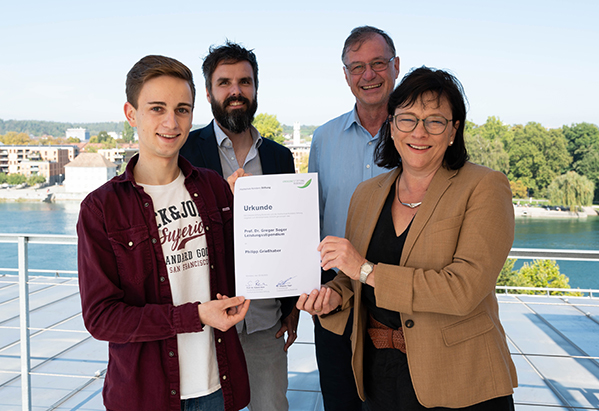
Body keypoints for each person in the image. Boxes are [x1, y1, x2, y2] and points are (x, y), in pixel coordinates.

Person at [298, 66, 518, 410]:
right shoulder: (367, 194)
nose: (420, 131)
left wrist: (366, 270)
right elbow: (351, 278)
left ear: (453, 131)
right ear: (392, 126)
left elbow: (463, 290)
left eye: (435, 120)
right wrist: (333, 297)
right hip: (379, 378)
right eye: (408, 118)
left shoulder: (484, 187)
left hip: (461, 381)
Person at [77, 55, 250, 411]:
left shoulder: (216, 189)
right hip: (146, 396)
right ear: (131, 114)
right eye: (157, 108)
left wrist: (257, 216)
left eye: (182, 109)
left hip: (218, 387)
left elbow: (243, 271)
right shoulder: (101, 209)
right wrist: (196, 315)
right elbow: (101, 318)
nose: (172, 122)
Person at [180, 41, 298, 411]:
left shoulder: (280, 157)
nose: (235, 91)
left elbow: (289, 237)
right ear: (210, 92)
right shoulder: (184, 150)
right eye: (225, 82)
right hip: (205, 324)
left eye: (244, 82)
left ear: (255, 88)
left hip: (264, 322)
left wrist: (292, 306)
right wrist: (226, 203)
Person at [308, 25, 399, 410]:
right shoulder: (324, 138)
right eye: (357, 66)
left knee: (394, 397)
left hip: (395, 284)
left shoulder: (415, 136)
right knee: (340, 396)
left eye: (378, 63)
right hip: (335, 291)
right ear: (345, 75)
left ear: (396, 66)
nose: (368, 75)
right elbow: (312, 217)